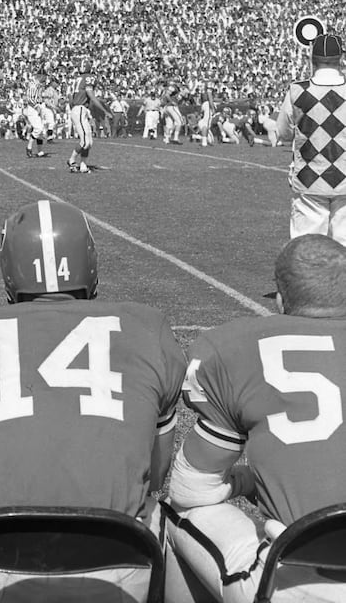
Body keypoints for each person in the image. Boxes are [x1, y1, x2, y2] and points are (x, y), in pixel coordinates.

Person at [0, 199, 186, 603]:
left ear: (8, 270)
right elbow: (155, 476)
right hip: (123, 562)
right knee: (173, 513)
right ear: (90, 262)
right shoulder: (148, 327)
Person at [163, 234, 346, 603]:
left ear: (279, 299)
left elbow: (191, 491)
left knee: (176, 514)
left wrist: (248, 482)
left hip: (303, 580)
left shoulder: (233, 347)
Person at [275, 33, 346, 243]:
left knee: (307, 249)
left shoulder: (298, 90)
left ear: (312, 59)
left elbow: (284, 133)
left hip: (309, 179)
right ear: (340, 58)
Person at [67, 61, 111, 173]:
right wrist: (104, 110)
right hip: (80, 109)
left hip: (79, 109)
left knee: (89, 142)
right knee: (85, 142)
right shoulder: (88, 78)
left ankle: (83, 166)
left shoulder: (77, 79)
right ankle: (71, 160)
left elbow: (71, 99)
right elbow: (91, 96)